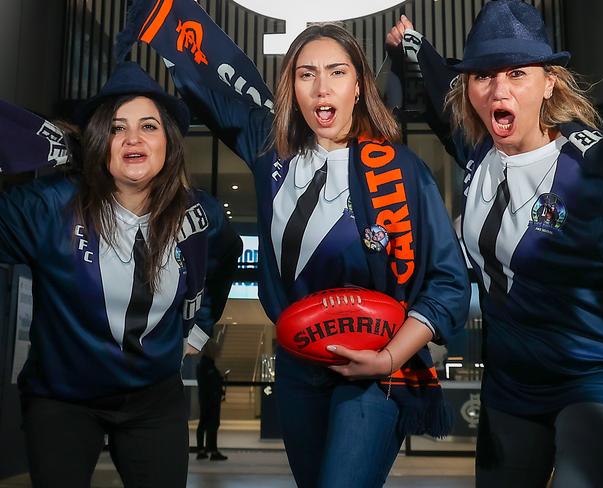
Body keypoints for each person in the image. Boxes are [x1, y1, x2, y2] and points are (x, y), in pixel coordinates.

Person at [118, 2, 471, 486]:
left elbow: (448, 283)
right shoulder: (271, 148)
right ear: (292, 89)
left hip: (378, 366)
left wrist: (388, 357)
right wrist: (163, 22)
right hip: (297, 368)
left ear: (358, 87)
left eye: (336, 72)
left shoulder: (402, 170)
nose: (322, 87)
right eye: (306, 74)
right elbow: (211, 91)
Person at [386, 2, 603, 487]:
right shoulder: (480, 149)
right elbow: (447, 81)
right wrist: (413, 44)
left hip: (597, 373)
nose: (498, 90)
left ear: (549, 82)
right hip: (512, 383)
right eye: (483, 76)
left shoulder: (593, 169)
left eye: (517, 73)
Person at [0, 61, 242, 488]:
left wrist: (200, 329)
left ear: (168, 140)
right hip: (62, 398)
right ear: (98, 141)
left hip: (154, 401)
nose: (133, 138)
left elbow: (225, 258)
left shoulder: (199, 215)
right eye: (116, 128)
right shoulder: (48, 208)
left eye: (148, 126)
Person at [195, 339, 227, 461]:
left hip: (208, 399)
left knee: (206, 424)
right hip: (209, 400)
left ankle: (205, 449)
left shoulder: (208, 364)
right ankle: (209, 450)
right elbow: (209, 384)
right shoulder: (206, 366)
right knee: (209, 424)